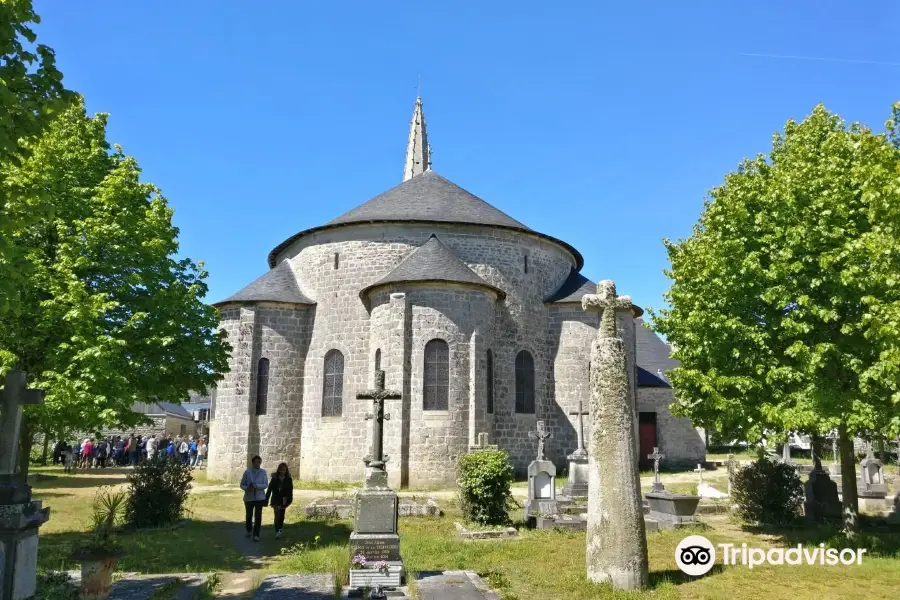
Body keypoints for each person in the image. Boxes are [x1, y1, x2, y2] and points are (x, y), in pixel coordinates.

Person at [239, 455, 268, 542]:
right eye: (256, 462)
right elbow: (242, 485)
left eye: (259, 462)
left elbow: (265, 484)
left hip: (259, 498)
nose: (258, 464)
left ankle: (256, 534)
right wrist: (247, 488)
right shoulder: (247, 472)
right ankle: (248, 530)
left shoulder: (263, 472)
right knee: (249, 515)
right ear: (252, 463)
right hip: (249, 497)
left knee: (258, 516)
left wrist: (256, 486)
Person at [265, 462, 293, 539]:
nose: (282, 471)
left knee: (281, 516)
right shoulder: (274, 478)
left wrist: (289, 500)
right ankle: (277, 531)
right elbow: (269, 490)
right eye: (281, 470)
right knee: (277, 515)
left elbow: (290, 491)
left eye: (284, 470)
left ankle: (280, 529)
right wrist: (266, 499)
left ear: (286, 470)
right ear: (279, 470)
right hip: (275, 500)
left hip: (284, 501)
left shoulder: (288, 479)